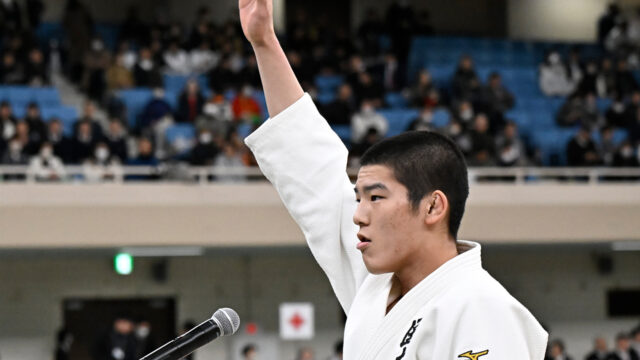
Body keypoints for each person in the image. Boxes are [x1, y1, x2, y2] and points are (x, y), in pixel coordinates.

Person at [239, 0, 548, 359]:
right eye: (358, 198)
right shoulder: (376, 287)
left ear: (432, 206)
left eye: (375, 198)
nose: (358, 214)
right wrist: (264, 42)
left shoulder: (481, 307)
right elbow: (314, 171)